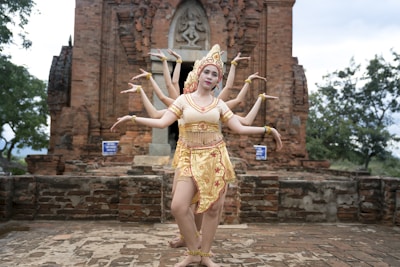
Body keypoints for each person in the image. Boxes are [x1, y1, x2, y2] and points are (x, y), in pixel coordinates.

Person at [111, 44, 282, 267]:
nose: (210, 77)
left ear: (218, 80)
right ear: (199, 74)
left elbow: (240, 127)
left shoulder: (219, 104)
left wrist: (268, 130)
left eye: (215, 74)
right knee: (178, 206)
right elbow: (161, 121)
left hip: (215, 158)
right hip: (188, 157)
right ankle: (192, 249)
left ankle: (204, 256)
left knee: (212, 208)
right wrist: (133, 118)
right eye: (207, 72)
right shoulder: (183, 101)